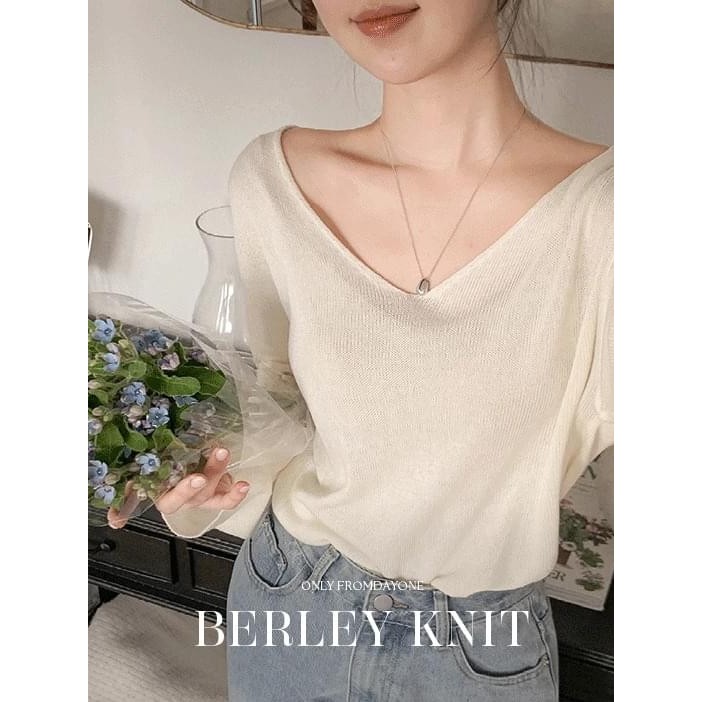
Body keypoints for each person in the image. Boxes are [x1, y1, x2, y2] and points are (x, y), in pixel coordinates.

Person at [113, 1, 613, 699]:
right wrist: (196, 473)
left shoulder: (615, 214)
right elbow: (286, 406)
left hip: (476, 643)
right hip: (291, 596)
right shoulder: (273, 179)